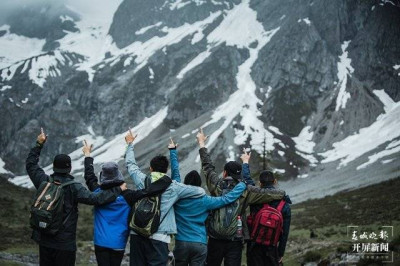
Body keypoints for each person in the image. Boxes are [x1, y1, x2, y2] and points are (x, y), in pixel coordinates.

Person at [26, 128, 126, 266]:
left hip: (44, 239)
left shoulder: (43, 181)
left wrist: (38, 144)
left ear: (54, 167)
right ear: (70, 168)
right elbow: (95, 199)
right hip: (65, 244)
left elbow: (31, 165)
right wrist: (117, 190)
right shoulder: (74, 187)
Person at [196, 128, 286, 266]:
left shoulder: (217, 184)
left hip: (215, 238)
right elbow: (269, 193)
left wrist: (201, 143)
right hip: (236, 239)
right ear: (239, 176)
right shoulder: (247, 190)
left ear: (225, 173)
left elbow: (207, 167)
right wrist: (283, 194)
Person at [82, 140, 172, 266]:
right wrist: (166, 180)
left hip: (100, 242)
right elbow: (147, 191)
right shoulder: (128, 195)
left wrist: (87, 155)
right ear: (118, 176)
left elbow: (89, 176)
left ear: (103, 177)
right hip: (118, 242)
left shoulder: (97, 192)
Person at [125, 129, 206, 266]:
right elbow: (200, 192)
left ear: (150, 168)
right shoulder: (174, 187)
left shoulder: (142, 180)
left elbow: (131, 165)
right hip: (160, 236)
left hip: (137, 232)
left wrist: (129, 144)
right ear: (165, 170)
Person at [168, 138, 247, 266]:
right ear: (199, 184)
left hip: (182, 242)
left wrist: (172, 151)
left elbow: (175, 176)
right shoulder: (206, 200)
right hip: (200, 243)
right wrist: (242, 184)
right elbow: (225, 199)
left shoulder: (179, 198)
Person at [246, 170, 292, 266]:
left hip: (254, 246)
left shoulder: (256, 199)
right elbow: (285, 233)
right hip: (272, 247)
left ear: (259, 183)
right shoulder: (284, 204)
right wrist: (280, 253)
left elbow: (249, 184)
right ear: (274, 181)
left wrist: (245, 163)